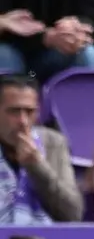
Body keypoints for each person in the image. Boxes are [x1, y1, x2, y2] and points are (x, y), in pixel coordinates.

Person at [0, 75, 83, 223]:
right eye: (13, 111)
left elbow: (72, 213)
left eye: (29, 111)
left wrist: (38, 166)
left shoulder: (54, 143)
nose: (23, 121)